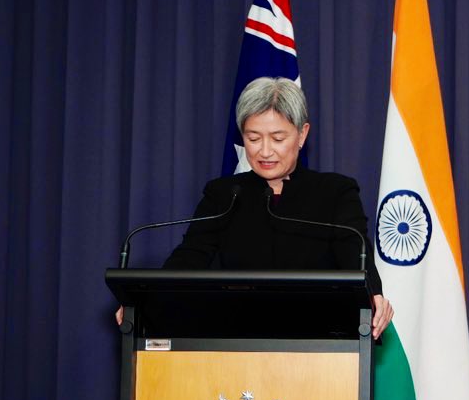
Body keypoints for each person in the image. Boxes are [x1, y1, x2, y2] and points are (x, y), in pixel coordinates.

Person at [115, 77, 393, 339]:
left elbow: (356, 254)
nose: (265, 151)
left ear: (302, 134)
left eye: (278, 138)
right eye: (253, 138)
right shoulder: (223, 195)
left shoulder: (335, 192)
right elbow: (189, 259)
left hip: (321, 344)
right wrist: (146, 300)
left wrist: (374, 295)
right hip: (234, 341)